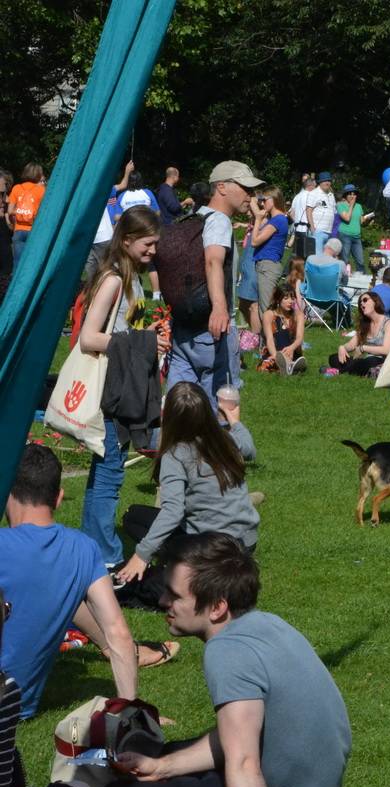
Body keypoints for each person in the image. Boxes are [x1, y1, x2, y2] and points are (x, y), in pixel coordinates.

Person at [109, 534, 351, 787]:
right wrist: (162, 767)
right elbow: (238, 733)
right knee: (167, 756)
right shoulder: (270, 624)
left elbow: (244, 765)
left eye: (175, 595)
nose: (163, 601)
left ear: (217, 607)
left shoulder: (228, 651)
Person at [0, 444, 149, 721]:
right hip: (16, 707)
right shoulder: (83, 549)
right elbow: (118, 633)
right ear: (58, 498)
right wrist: (130, 714)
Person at [79, 207, 171, 567]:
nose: (153, 251)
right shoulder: (114, 279)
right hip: (111, 389)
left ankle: (92, 549)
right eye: (148, 244)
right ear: (127, 240)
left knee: (106, 470)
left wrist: (147, 336)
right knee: (109, 474)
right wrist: (141, 342)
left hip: (121, 381)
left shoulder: (131, 276)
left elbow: (121, 330)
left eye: (155, 244)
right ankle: (104, 555)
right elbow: (89, 337)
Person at [115, 381, 259, 591]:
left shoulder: (176, 454)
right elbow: (250, 449)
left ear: (170, 417)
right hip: (246, 541)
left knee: (132, 518)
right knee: (136, 515)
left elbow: (173, 511)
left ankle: (186, 567)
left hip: (213, 548)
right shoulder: (225, 439)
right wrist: (235, 421)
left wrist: (141, 555)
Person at [167, 161, 263, 408]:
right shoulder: (219, 220)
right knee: (221, 410)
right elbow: (213, 261)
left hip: (184, 329)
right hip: (213, 329)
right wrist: (220, 308)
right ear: (221, 187)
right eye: (245, 188)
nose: (250, 196)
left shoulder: (194, 217)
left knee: (180, 409)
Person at [248, 186, 289, 332]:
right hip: (266, 265)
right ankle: (267, 341)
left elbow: (255, 241)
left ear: (274, 199)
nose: (262, 203)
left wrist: (258, 219)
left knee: (266, 310)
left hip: (268, 266)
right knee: (262, 308)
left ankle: (274, 341)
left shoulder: (278, 220)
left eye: (264, 200)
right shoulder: (277, 219)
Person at [328, 291, 390, 376]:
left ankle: (340, 370)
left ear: (375, 301)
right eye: (360, 303)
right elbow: (352, 344)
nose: (362, 304)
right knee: (333, 358)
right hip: (366, 361)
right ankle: (355, 370)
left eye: (365, 300)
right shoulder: (365, 324)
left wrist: (363, 348)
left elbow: (386, 350)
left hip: (382, 361)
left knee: (365, 363)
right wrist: (342, 347)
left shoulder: (388, 323)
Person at [259, 285, 306, 375]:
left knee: (288, 336)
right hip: (275, 351)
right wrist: (276, 355)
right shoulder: (268, 315)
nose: (290, 301)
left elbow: (299, 338)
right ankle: (286, 365)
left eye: (292, 298)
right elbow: (269, 339)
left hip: (292, 351)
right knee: (280, 335)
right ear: (278, 300)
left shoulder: (298, 315)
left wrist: (291, 348)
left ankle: (289, 365)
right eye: (286, 298)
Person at [6, 163, 46, 266]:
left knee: (18, 262)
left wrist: (16, 220)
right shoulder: (42, 190)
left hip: (18, 230)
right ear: (38, 174)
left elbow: (10, 211)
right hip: (34, 230)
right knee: (33, 262)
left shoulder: (16, 188)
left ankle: (16, 277)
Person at [337, 184, 372, 274]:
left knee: (360, 261)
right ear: (345, 195)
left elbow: (361, 221)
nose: (352, 196)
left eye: (354, 194)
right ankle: (343, 277)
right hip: (345, 235)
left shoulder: (359, 206)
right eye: (350, 194)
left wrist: (367, 220)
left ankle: (361, 278)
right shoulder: (340, 205)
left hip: (357, 236)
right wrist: (351, 205)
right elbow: (347, 218)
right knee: (345, 260)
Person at [305, 171, 337, 254]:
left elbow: (334, 212)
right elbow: (309, 210)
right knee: (317, 257)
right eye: (325, 181)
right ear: (320, 182)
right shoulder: (314, 193)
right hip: (318, 231)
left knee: (324, 257)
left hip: (328, 232)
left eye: (329, 181)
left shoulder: (331, 195)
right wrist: (312, 228)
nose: (327, 183)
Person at [288, 174, 316, 258]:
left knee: (297, 256)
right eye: (314, 186)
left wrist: (297, 221)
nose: (315, 188)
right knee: (308, 256)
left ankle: (289, 267)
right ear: (310, 185)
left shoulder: (297, 196)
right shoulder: (311, 196)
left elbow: (291, 213)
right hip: (307, 229)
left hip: (297, 229)